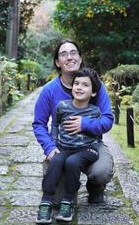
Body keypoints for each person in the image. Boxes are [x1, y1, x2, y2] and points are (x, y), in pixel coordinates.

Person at [32, 39, 114, 204]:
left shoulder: (95, 86)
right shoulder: (49, 90)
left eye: (73, 52)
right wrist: (49, 147)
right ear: (58, 62)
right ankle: (67, 187)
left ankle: (95, 186)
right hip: (62, 146)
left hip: (91, 145)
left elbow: (107, 119)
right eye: (63, 54)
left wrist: (84, 124)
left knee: (102, 172)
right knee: (57, 201)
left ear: (80, 58)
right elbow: (39, 124)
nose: (69, 57)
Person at [36, 68, 102, 224]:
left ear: (93, 93)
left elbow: (98, 133)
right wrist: (52, 146)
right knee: (57, 160)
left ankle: (68, 202)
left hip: (87, 149)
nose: (79, 87)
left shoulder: (95, 112)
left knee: (72, 162)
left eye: (85, 85)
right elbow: (55, 125)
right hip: (64, 147)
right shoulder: (62, 106)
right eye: (76, 83)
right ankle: (46, 201)